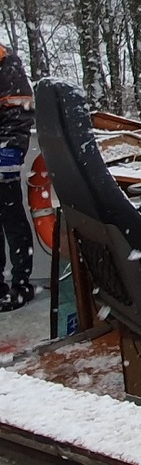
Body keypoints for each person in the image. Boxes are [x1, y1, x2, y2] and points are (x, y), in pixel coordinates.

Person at [0, 43, 35, 311]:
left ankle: (22, 283)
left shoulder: (5, 63)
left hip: (3, 156)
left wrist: (9, 151)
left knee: (11, 219)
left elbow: (19, 108)